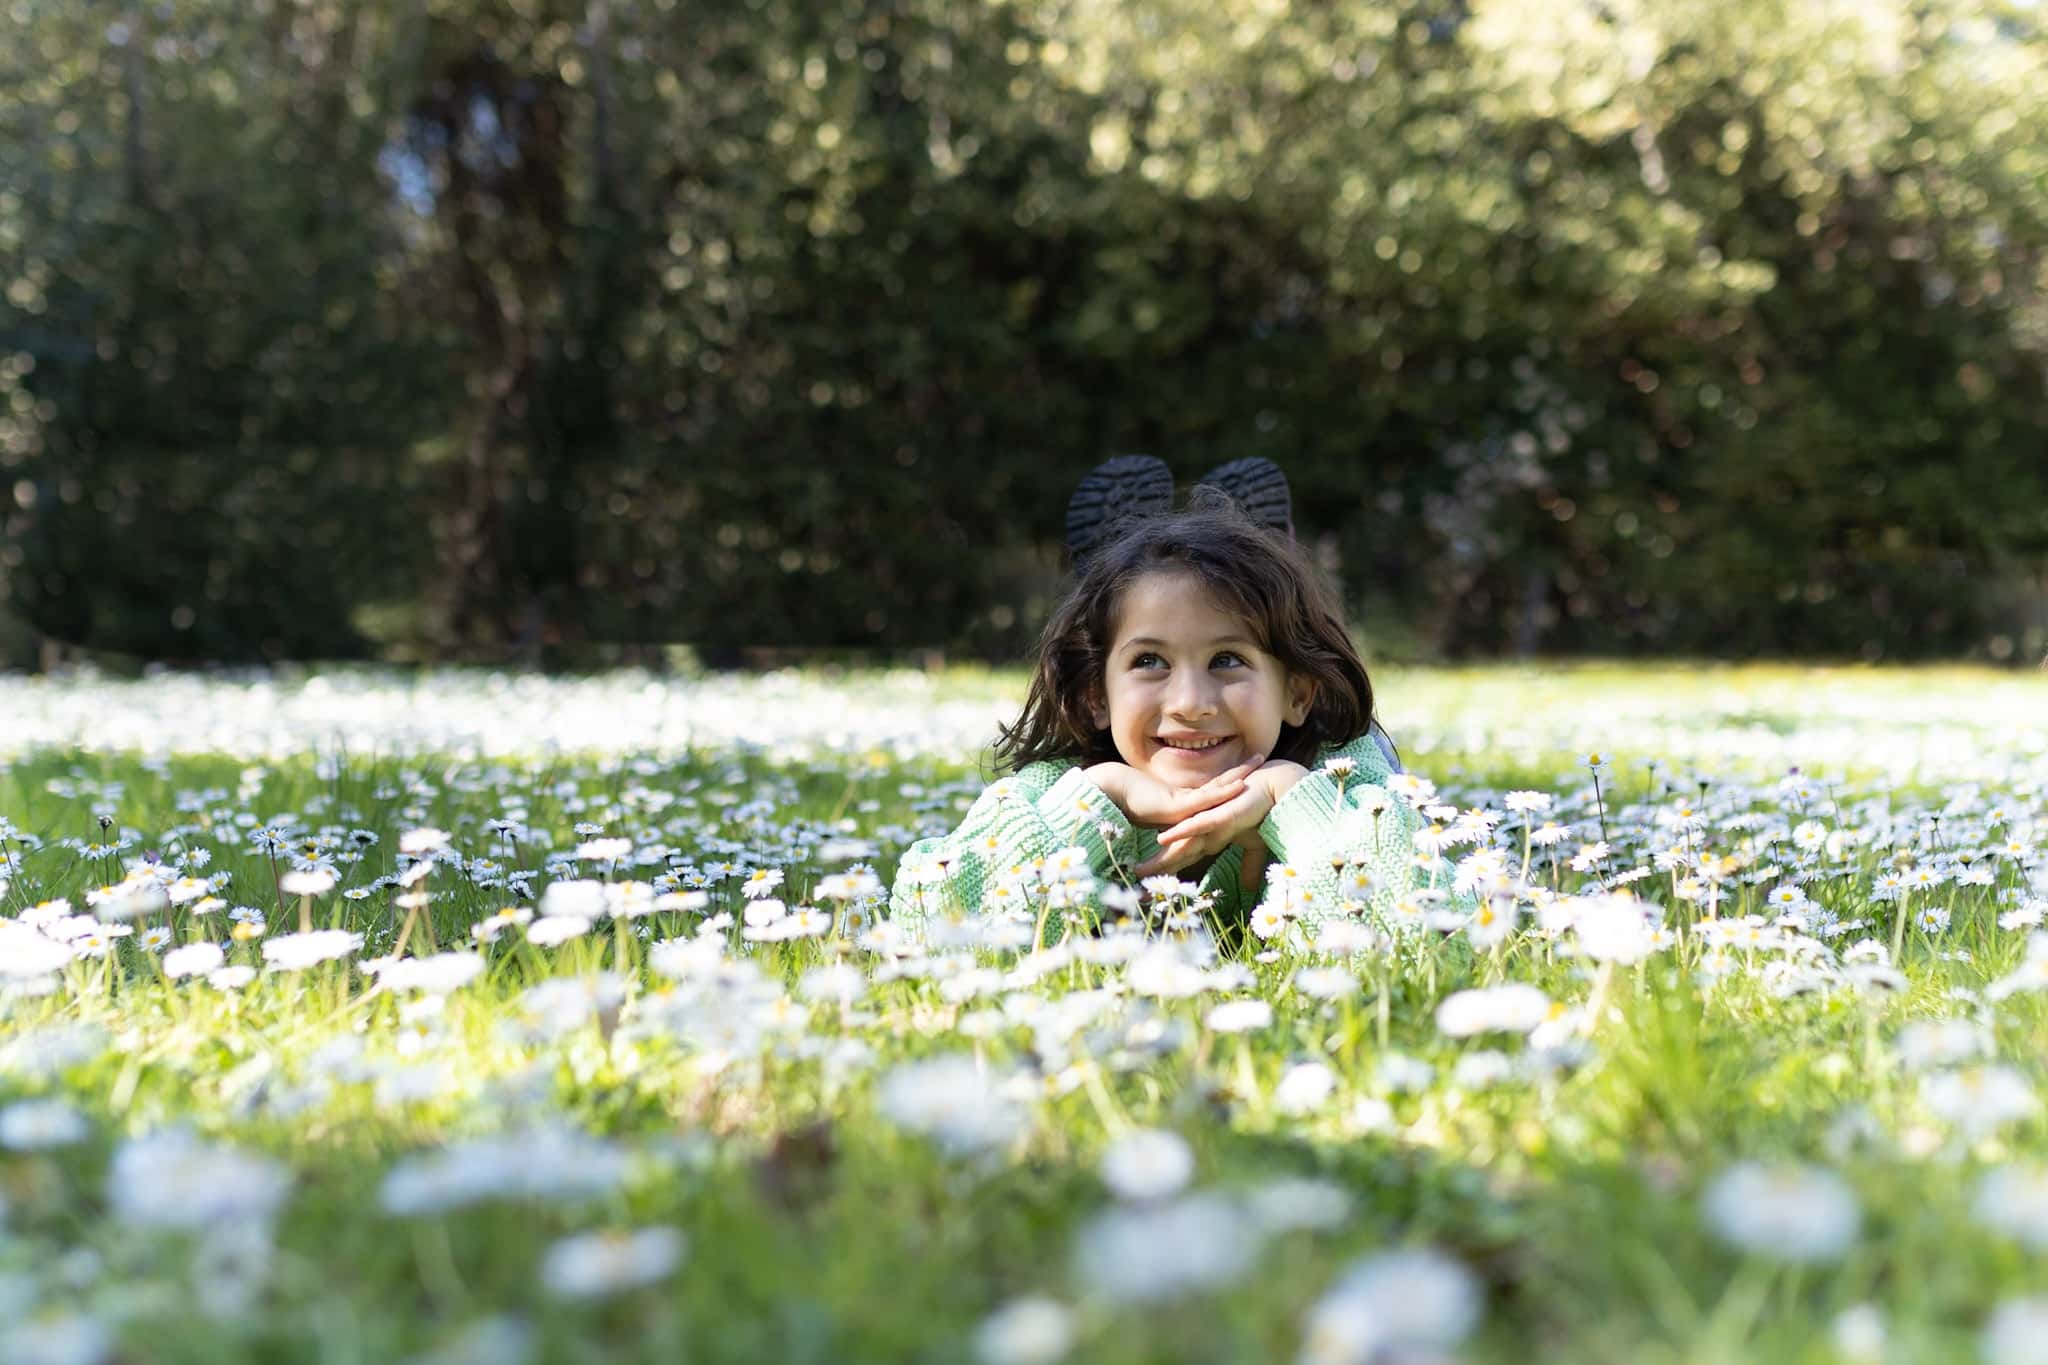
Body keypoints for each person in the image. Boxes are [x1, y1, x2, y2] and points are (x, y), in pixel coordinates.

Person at [888, 456, 1438, 947]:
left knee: (1235, 597)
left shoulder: (1343, 778)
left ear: (1297, 693)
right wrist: (1096, 798)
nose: (1190, 703)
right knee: (1150, 594)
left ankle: (1232, 556)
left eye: (1227, 660)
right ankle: (1169, 562)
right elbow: (928, 928)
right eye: (1149, 661)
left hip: (1308, 742)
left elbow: (1418, 938)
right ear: (1093, 697)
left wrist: (1293, 796)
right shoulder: (1055, 789)